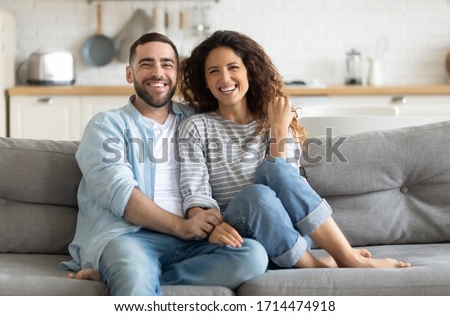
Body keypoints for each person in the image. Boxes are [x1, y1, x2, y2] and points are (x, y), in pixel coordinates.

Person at [178, 30, 411, 269]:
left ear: (249, 70)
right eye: (213, 71)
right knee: (255, 195)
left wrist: (278, 130)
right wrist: (211, 228)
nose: (225, 78)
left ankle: (343, 258)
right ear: (205, 81)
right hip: (238, 232)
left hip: (287, 232)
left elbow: (287, 181)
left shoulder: (274, 118)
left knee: (276, 173)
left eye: (233, 67)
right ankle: (325, 265)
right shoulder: (196, 127)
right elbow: (196, 195)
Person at [59, 32, 268, 295]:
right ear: (129, 74)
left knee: (253, 255)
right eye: (146, 64)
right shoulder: (106, 126)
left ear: (177, 74)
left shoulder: (198, 121)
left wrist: (209, 225)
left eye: (167, 64)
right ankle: (128, 273)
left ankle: (119, 275)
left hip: (195, 241)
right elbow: (119, 193)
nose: (158, 73)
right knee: (134, 272)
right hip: (130, 238)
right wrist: (182, 226)